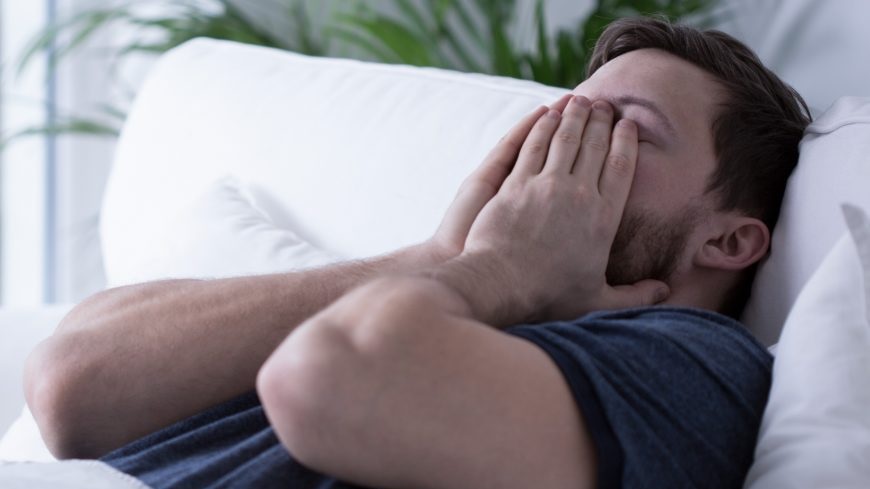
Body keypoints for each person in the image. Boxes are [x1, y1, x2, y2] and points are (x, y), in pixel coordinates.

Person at [24, 16, 810, 489]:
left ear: (730, 238)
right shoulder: (449, 294)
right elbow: (67, 386)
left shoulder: (698, 366)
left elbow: (329, 381)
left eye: (619, 130)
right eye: (565, 117)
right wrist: (437, 255)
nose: (554, 148)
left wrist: (498, 270)